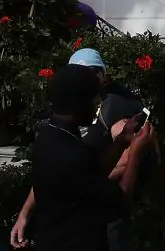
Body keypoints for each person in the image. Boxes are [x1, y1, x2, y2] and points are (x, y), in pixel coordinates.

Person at [24, 65, 153, 251]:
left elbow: (93, 168)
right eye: (94, 98)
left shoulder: (51, 135)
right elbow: (119, 203)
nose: (98, 104)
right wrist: (135, 154)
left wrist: (122, 140)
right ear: (79, 103)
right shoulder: (69, 155)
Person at [69, 49, 139, 102]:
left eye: (94, 71)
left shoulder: (121, 98)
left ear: (103, 74)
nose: (88, 77)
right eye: (81, 74)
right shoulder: (69, 105)